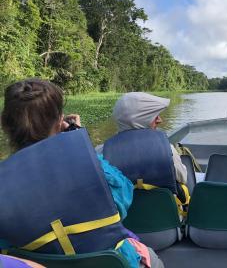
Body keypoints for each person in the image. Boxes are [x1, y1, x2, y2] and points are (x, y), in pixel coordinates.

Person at [0, 79, 162, 268]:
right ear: (60, 121)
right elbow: (124, 196)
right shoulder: (94, 167)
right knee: (152, 258)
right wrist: (78, 140)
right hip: (111, 261)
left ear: (5, 125)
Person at [101, 92, 188, 214]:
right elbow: (183, 177)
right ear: (141, 119)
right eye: (155, 116)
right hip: (165, 219)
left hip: (126, 223)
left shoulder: (105, 152)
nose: (160, 120)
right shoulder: (167, 148)